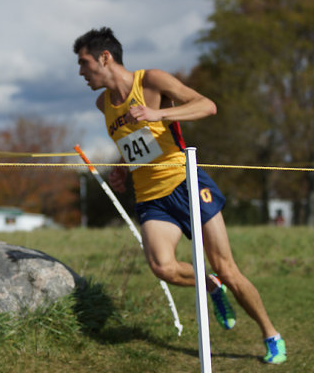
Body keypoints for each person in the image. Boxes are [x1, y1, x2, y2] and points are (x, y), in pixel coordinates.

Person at [73, 27, 286, 364]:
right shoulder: (103, 104)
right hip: (150, 197)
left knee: (227, 267)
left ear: (105, 57)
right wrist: (123, 168)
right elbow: (137, 144)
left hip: (184, 183)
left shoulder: (151, 81)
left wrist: (159, 113)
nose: (81, 72)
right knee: (163, 267)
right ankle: (212, 287)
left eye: (84, 63)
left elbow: (207, 105)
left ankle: (271, 334)